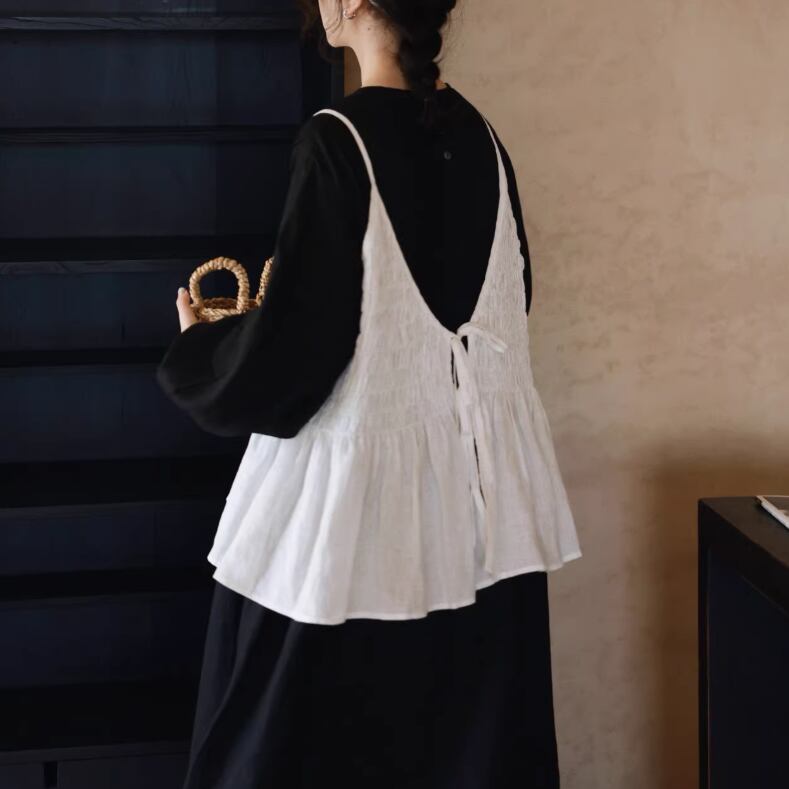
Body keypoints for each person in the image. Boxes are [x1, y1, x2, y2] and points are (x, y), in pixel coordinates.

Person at [156, 1, 582, 787]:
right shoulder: (484, 140)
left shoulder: (338, 139)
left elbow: (293, 359)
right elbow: (505, 307)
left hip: (354, 534)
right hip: (485, 528)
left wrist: (199, 350)